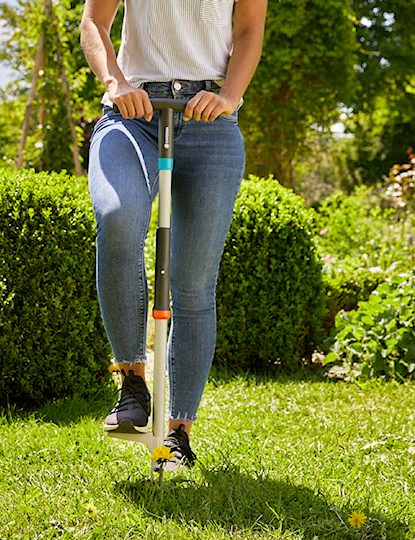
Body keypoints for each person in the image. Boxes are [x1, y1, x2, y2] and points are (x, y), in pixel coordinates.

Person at [80, 0, 267, 470]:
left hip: (211, 123)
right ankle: (132, 383)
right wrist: (116, 83)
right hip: (131, 113)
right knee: (119, 215)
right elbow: (94, 22)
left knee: (193, 284)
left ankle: (178, 435)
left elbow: (248, 32)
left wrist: (229, 96)